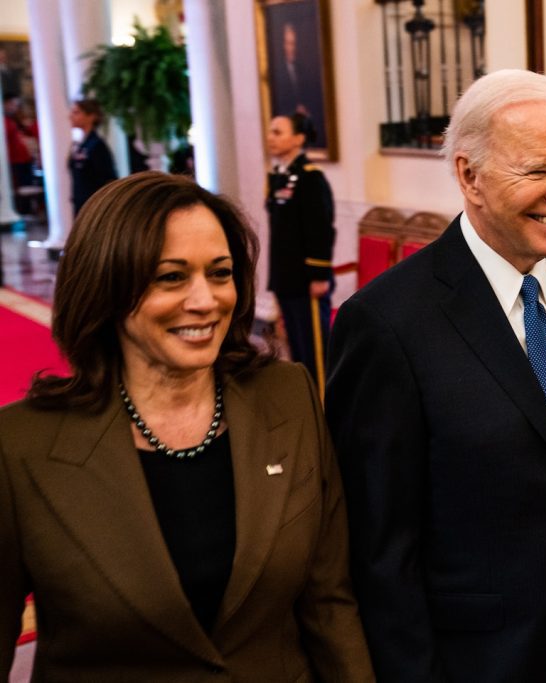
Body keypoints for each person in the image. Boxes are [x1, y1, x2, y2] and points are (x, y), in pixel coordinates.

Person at [325, 69, 546, 682]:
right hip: (465, 658)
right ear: (470, 176)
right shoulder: (385, 323)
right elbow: (376, 544)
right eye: (538, 170)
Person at [0, 172, 373, 681]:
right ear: (107, 286)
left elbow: (330, 602)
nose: (205, 300)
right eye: (171, 277)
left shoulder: (288, 397)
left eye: (220, 273)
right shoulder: (20, 446)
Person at [265, 112, 335, 397]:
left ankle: (325, 407)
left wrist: (319, 274)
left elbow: (320, 228)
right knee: (296, 350)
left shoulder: (310, 178)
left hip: (307, 281)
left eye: (278, 132)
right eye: (270, 131)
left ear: (298, 139)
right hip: (287, 278)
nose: (270, 137)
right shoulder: (280, 176)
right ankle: (305, 404)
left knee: (315, 353)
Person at [68, 98, 117, 215]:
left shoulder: (97, 145)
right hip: (81, 203)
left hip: (94, 206)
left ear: (91, 116)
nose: (71, 116)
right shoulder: (81, 144)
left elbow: (107, 178)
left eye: (77, 112)